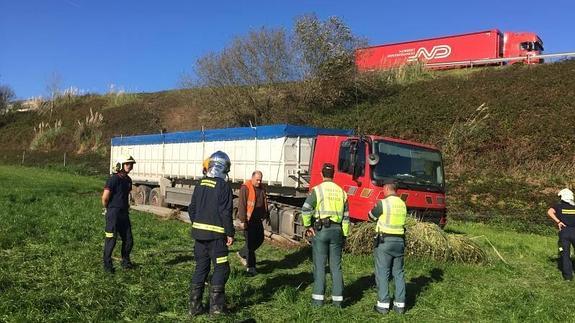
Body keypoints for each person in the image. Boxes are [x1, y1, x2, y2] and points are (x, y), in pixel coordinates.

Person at [188, 151, 235, 316]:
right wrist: (230, 233)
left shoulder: (199, 184)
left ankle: (194, 307)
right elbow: (225, 213)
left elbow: (192, 209)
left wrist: (198, 225)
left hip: (199, 237)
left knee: (201, 268)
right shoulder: (224, 187)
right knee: (221, 269)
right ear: (222, 167)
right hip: (216, 239)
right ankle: (216, 308)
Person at [301, 163, 350, 308]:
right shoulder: (342, 192)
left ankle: (318, 301)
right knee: (336, 266)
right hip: (337, 231)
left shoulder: (317, 190)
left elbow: (306, 209)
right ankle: (338, 301)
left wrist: (308, 226)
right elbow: (346, 217)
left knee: (320, 266)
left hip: (321, 230)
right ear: (333, 175)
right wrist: (345, 235)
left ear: (322, 175)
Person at [368, 178, 407, 315]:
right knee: (399, 273)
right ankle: (400, 306)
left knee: (383, 273)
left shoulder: (383, 203)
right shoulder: (402, 204)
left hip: (385, 242)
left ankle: (383, 306)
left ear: (386, 188)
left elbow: (371, 216)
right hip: (400, 242)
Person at [101, 154, 136, 273]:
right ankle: (107, 265)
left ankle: (125, 261)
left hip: (124, 214)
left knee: (129, 239)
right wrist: (109, 209)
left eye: (131, 164)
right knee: (111, 239)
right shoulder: (113, 179)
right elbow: (105, 197)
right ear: (120, 165)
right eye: (127, 164)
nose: (130, 166)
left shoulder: (128, 180)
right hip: (113, 214)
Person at [237, 170, 269, 275]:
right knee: (250, 244)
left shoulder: (262, 188)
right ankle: (251, 268)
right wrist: (243, 220)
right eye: (257, 180)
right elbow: (241, 205)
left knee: (260, 239)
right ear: (252, 178)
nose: (259, 182)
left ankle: (242, 253)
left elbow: (264, 202)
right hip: (248, 219)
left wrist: (266, 214)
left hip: (257, 219)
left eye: (260, 180)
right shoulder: (245, 187)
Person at [547, 188, 575, 281]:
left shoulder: (558, 206)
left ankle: (568, 277)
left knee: (565, 254)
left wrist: (558, 221)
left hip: (564, 232)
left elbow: (549, 212)